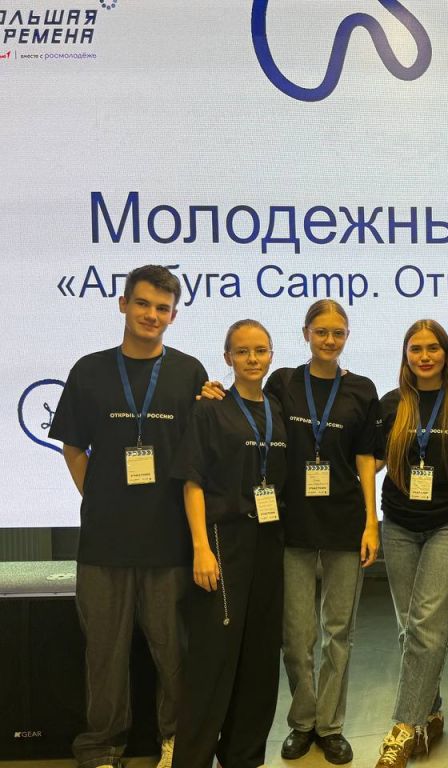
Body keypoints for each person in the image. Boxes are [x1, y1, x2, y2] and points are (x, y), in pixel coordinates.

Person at [200, 300, 381, 765]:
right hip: (291, 526)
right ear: (305, 334)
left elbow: (366, 460)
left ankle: (330, 726)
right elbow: (249, 409)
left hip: (345, 523)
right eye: (321, 332)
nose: (329, 340)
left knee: (338, 633)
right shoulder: (282, 383)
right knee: (297, 637)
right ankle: (303, 722)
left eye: (338, 333)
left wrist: (371, 521)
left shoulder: (361, 390)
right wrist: (213, 390)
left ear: (347, 336)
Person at [49, 265, 207, 768]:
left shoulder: (189, 373)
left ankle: (176, 740)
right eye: (142, 303)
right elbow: (73, 446)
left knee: (174, 653)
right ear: (123, 304)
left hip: (170, 541)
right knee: (104, 655)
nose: (151, 315)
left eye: (162, 308)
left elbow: (200, 456)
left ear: (173, 316)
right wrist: (99, 496)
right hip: (105, 543)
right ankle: (101, 747)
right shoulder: (89, 370)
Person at [374, 319, 448, 768]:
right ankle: (431, 712)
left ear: (446, 353)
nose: (424, 357)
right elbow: (371, 461)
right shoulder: (392, 404)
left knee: (427, 623)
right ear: (406, 355)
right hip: (398, 524)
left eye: (433, 348)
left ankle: (404, 727)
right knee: (410, 627)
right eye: (416, 349)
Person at [170, 320, 288, 768]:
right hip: (223, 538)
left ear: (271, 355)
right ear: (227, 358)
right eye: (242, 351)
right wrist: (201, 547)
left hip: (269, 538)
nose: (252, 359)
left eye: (260, 350)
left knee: (260, 654)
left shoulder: (277, 408)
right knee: (213, 656)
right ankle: (193, 759)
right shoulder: (210, 409)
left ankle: (243, 755)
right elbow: (192, 481)